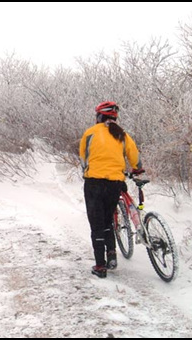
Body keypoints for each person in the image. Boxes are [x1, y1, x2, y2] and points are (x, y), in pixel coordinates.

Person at [79, 101, 144, 278]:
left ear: (99, 116)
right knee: (108, 220)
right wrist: (137, 169)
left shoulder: (90, 133)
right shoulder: (122, 134)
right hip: (115, 184)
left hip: (94, 183)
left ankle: (100, 266)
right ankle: (112, 255)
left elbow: (84, 158)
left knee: (96, 224)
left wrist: (88, 171)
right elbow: (134, 156)